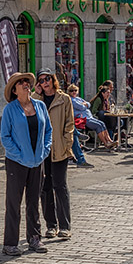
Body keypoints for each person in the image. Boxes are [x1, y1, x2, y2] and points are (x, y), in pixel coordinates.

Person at [0, 72, 52, 256]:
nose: (25, 84)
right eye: (20, 83)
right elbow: (5, 137)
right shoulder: (10, 110)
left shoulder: (40, 106)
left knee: (33, 201)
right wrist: (19, 155)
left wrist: (44, 151)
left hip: (37, 162)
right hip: (17, 163)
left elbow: (48, 131)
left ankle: (34, 238)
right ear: (14, 90)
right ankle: (10, 243)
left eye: (26, 82)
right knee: (13, 203)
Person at [33, 68, 74, 240]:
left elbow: (69, 124)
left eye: (47, 78)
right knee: (45, 187)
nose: (45, 82)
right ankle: (51, 225)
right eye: (41, 80)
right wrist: (35, 94)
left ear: (53, 79)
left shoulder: (63, 99)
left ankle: (65, 226)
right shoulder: (37, 100)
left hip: (60, 149)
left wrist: (66, 143)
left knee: (60, 186)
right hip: (43, 150)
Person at [69, 84, 115, 155]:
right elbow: (81, 107)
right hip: (82, 119)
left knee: (102, 123)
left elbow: (88, 104)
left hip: (89, 117)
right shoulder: (71, 100)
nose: (74, 92)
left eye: (75, 90)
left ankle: (109, 140)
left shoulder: (78, 99)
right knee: (98, 125)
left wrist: (86, 104)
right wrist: (85, 105)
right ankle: (106, 144)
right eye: (72, 91)